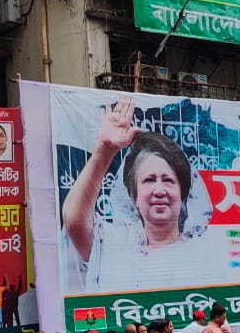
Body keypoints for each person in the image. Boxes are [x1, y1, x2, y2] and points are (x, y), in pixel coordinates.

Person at [62, 95, 210, 292]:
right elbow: (74, 221)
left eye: (168, 180)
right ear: (133, 196)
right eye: (149, 180)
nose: (159, 191)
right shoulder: (113, 245)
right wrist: (104, 152)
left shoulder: (205, 254)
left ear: (182, 193)